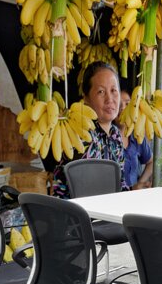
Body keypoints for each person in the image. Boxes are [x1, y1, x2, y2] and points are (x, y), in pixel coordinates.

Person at [51, 61, 127, 197]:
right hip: (73, 213)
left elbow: (120, 183)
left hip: (106, 211)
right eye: (101, 92)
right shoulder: (80, 132)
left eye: (114, 90)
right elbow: (86, 190)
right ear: (86, 99)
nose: (110, 99)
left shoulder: (115, 134)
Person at [119, 89, 154, 190]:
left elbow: (151, 161)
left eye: (127, 104)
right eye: (118, 104)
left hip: (134, 199)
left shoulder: (136, 135)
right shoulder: (106, 139)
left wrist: (140, 183)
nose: (122, 108)